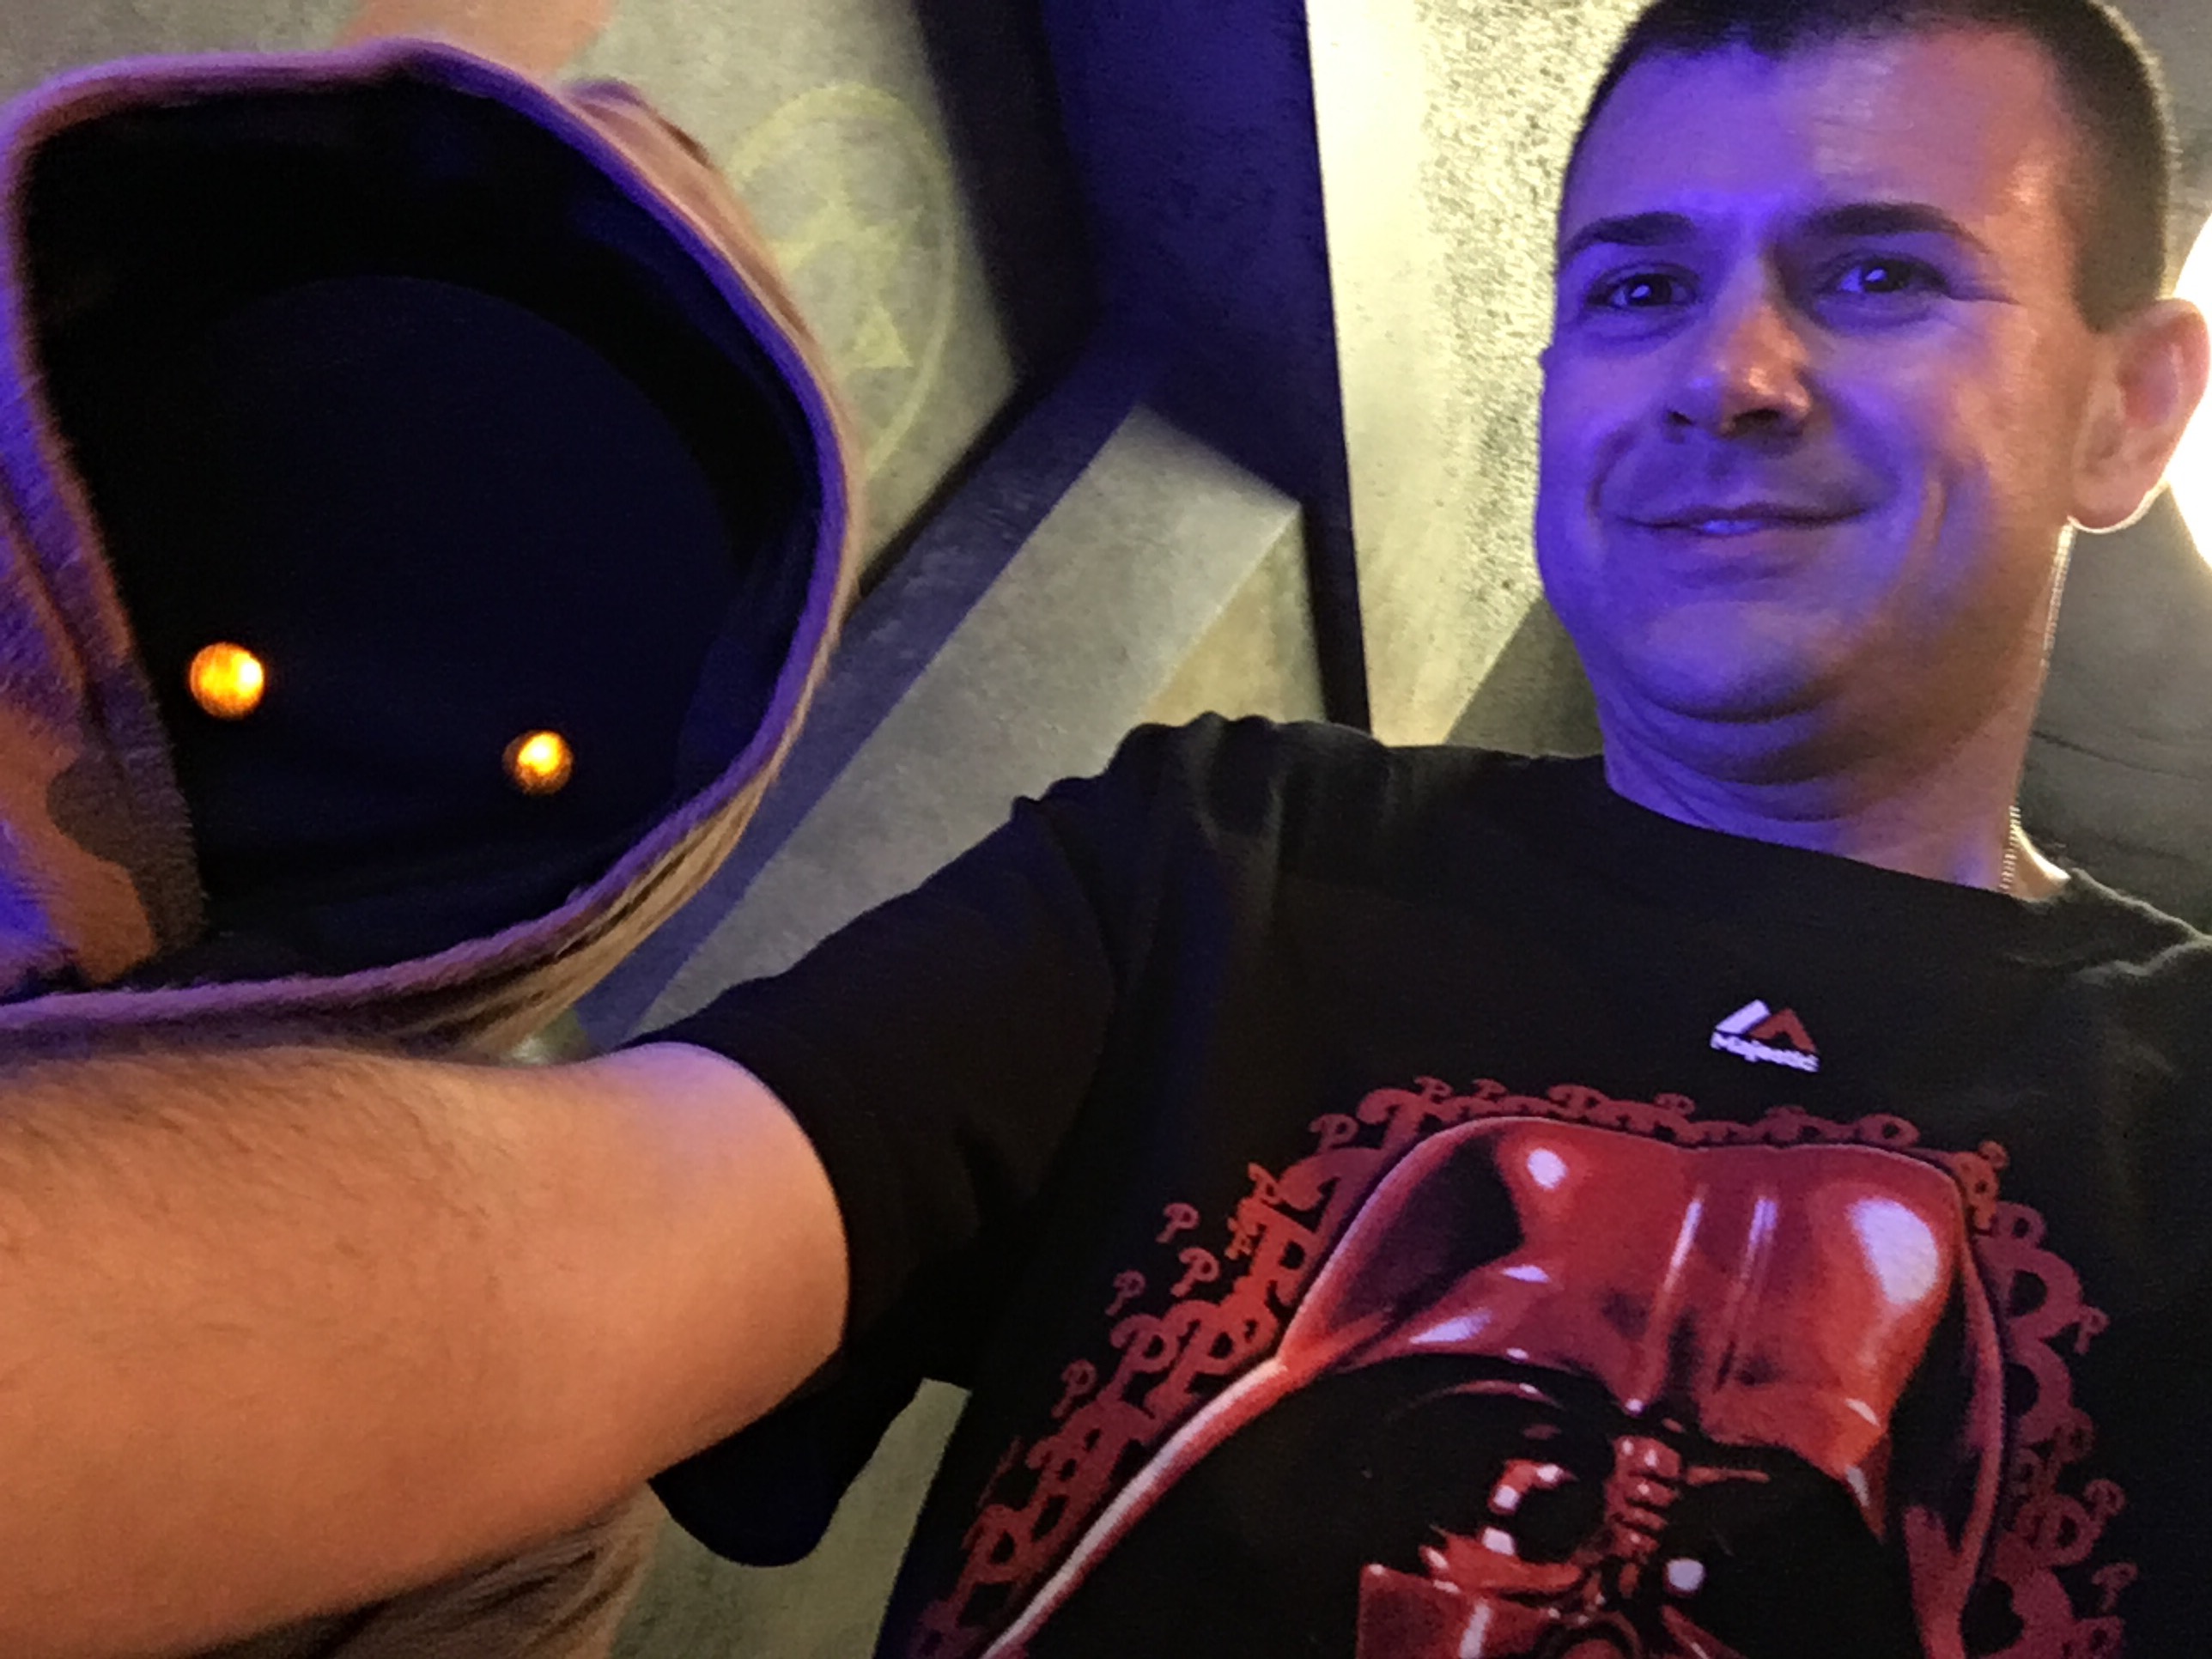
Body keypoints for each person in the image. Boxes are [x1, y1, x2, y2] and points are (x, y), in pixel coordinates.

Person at [2, 0, 2206, 1656]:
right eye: (1634, 287)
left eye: (1875, 275)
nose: (1726, 373)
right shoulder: (1227, 860)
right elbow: (563, 1258)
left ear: (2126, 408)